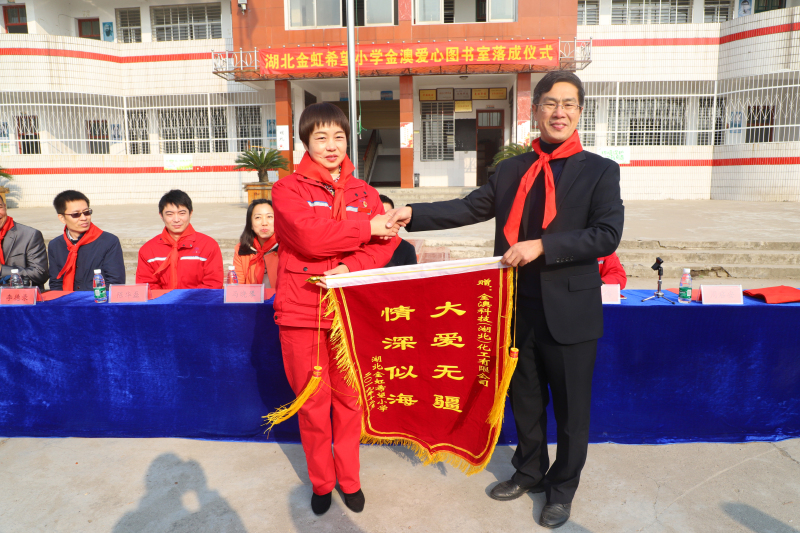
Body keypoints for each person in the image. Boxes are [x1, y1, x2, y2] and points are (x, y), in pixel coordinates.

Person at [385, 71, 624, 529]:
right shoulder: (513, 170)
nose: (559, 112)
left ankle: (562, 489)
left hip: (570, 312)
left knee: (572, 412)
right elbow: (469, 206)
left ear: (579, 112)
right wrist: (413, 213)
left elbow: (606, 234)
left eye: (568, 104)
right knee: (525, 400)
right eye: (550, 103)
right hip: (514, 307)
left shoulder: (600, 171)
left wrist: (543, 246)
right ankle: (529, 471)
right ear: (535, 110)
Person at [271, 102, 399, 516]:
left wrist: (348, 268)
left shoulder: (365, 193)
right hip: (302, 311)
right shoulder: (287, 190)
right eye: (321, 137)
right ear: (305, 142)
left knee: (350, 400)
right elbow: (310, 238)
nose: (331, 146)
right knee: (312, 403)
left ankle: (350, 479)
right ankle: (322, 482)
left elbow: (386, 244)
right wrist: (366, 228)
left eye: (339, 137)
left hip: (349, 311)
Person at [136, 190, 223, 290]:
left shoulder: (208, 246)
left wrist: (184, 298)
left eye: (182, 213)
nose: (176, 219)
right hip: (162, 300)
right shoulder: (148, 250)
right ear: (161, 215)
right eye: (170, 214)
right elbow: (146, 286)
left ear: (190, 213)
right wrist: (169, 298)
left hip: (198, 300)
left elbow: (213, 284)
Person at [48, 190, 125, 291]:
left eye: (87, 212)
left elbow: (115, 283)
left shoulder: (109, 241)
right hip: (67, 299)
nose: (84, 218)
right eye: (76, 214)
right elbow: (56, 283)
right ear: (62, 218)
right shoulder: (55, 245)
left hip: (99, 299)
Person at [0, 194, 49, 290]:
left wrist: (2, 270)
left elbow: (40, 273)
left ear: (5, 207)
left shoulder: (30, 235)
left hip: (19, 296)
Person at [233, 199, 278, 287]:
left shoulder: (287, 248)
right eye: (258, 217)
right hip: (252, 295)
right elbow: (237, 285)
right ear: (250, 224)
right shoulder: (242, 249)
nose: (264, 223)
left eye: (269, 216)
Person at [379, 195, 418, 267]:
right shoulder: (360, 247)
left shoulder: (406, 249)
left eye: (388, 216)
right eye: (379, 216)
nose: (384, 221)